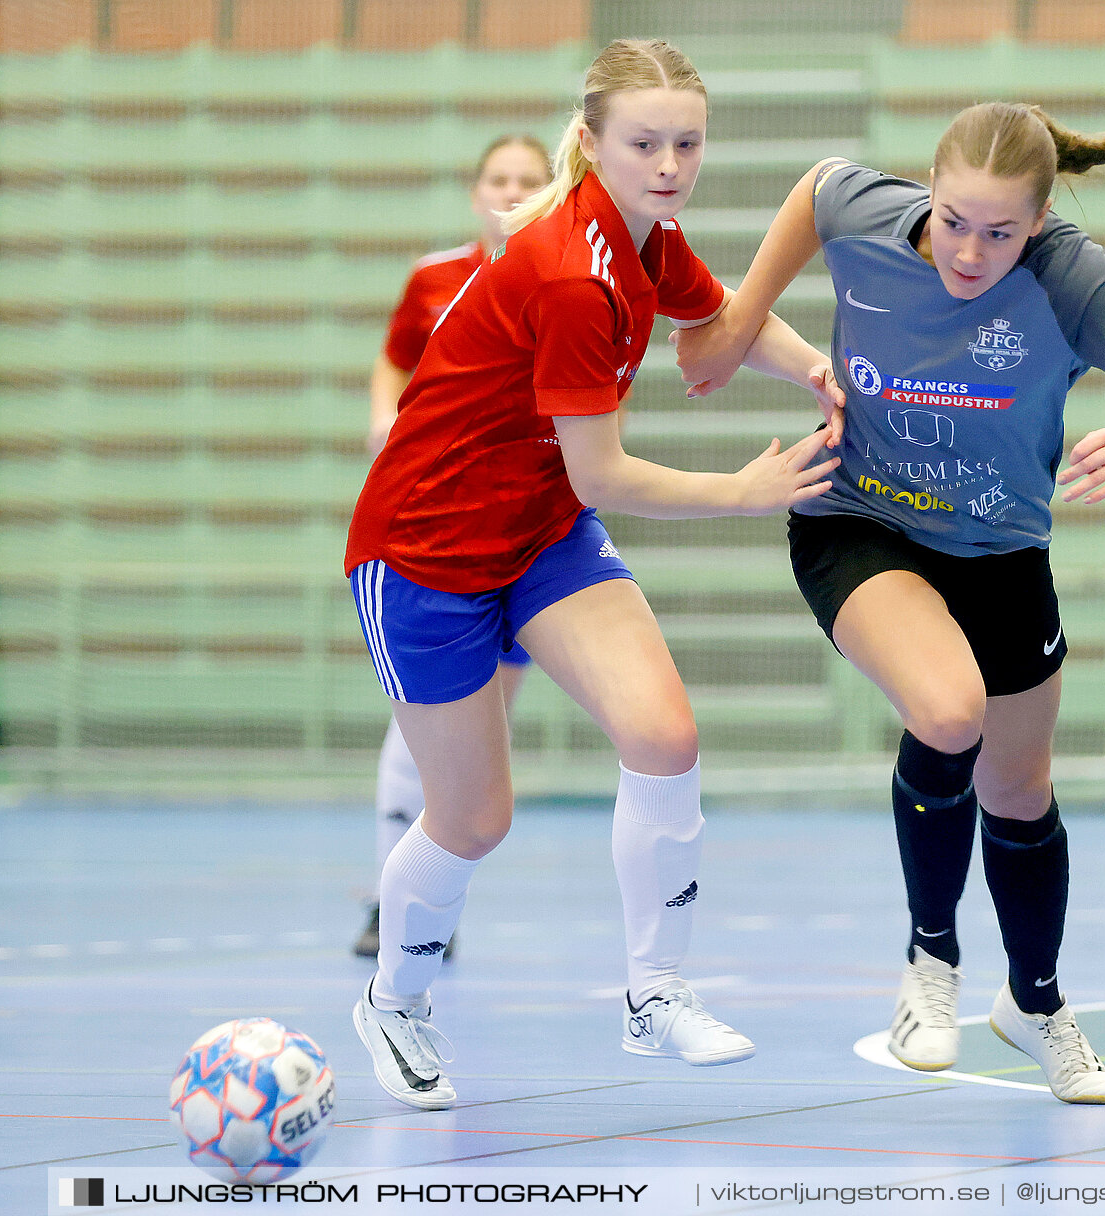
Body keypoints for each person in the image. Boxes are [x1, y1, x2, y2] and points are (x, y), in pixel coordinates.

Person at [673, 81, 1105, 1103]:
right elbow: (817, 185)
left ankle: (1034, 1004)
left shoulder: (1073, 280)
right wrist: (742, 318)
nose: (968, 251)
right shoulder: (863, 215)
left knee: (1017, 789)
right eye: (953, 220)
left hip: (1001, 551)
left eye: (999, 232)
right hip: (856, 521)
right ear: (928, 194)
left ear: (1040, 220)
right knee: (948, 710)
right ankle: (929, 966)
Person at [344, 38, 845, 1111]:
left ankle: (654, 994)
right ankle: (394, 998)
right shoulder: (570, 271)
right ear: (591, 143)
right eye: (644, 143)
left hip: (539, 534)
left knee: (664, 733)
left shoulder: (646, 233)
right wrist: (745, 490)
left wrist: (818, 367)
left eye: (687, 143)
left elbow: (715, 325)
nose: (669, 163)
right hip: (425, 552)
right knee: (475, 818)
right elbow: (605, 470)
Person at [357, 134, 554, 961]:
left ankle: (433, 899)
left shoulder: (568, 279)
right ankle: (390, 906)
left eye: (529, 181)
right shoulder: (436, 278)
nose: (511, 190)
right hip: (436, 533)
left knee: (484, 741)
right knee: (424, 727)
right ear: (477, 191)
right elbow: (394, 361)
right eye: (498, 178)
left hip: (525, 529)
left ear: (553, 192)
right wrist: (383, 420)